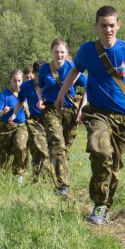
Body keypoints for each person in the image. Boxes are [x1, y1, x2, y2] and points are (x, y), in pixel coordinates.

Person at [56, 6, 125, 225]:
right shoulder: (87, 50)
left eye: (112, 25)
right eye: (103, 25)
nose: (108, 29)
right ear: (96, 26)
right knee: (101, 152)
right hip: (97, 114)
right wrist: (62, 94)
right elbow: (75, 70)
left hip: (123, 116)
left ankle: (106, 206)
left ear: (118, 25)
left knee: (115, 164)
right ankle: (99, 203)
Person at [36, 38, 88, 196]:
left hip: (71, 111)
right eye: (56, 52)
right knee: (56, 143)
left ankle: (58, 174)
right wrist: (39, 100)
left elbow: (89, 86)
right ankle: (62, 186)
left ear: (67, 53)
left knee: (65, 149)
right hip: (51, 109)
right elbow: (39, 87)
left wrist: (82, 109)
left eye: (62, 52)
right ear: (51, 52)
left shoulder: (74, 68)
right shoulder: (45, 69)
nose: (59, 54)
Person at [11, 60, 52, 184]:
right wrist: (14, 114)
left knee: (43, 152)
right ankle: (44, 181)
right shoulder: (26, 86)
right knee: (40, 149)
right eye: (38, 74)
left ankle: (38, 179)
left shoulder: (51, 83)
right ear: (33, 73)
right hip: (34, 121)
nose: (41, 77)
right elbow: (20, 101)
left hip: (50, 120)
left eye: (43, 74)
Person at [0, 68, 29, 181]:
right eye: (14, 81)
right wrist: (3, 112)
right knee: (5, 156)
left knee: (20, 146)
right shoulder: (5, 95)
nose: (17, 83)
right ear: (10, 81)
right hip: (5, 128)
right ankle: (6, 179)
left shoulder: (27, 92)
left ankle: (20, 174)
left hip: (21, 127)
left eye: (19, 81)